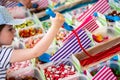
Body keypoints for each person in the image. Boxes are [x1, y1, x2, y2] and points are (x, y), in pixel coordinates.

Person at [0, 6, 65, 80]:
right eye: (10, 29)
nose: (14, 31)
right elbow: (35, 52)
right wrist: (55, 26)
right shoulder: (2, 54)